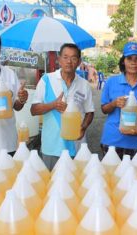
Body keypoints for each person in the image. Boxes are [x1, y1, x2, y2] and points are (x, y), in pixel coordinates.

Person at [31, 43, 94, 171]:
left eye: (74, 58)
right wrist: (53, 105)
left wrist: (84, 127)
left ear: (79, 62)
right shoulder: (47, 80)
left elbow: (90, 111)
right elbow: (34, 110)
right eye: (65, 57)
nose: (69, 61)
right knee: (51, 185)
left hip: (77, 146)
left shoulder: (84, 84)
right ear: (59, 59)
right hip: (52, 146)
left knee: (75, 186)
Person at [100, 41, 137, 158]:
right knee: (111, 175)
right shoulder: (111, 82)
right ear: (123, 61)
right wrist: (114, 103)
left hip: (136, 142)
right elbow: (104, 109)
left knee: (133, 175)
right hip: (112, 139)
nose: (133, 63)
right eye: (129, 58)